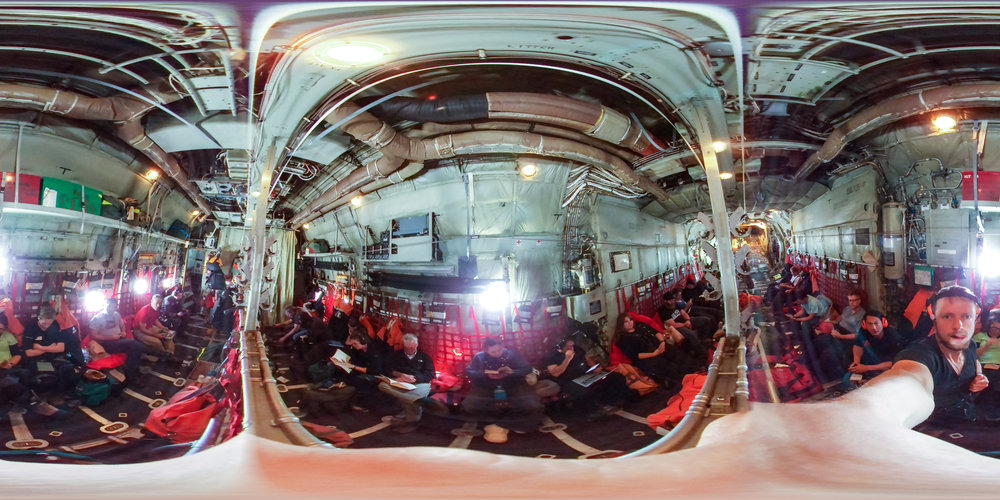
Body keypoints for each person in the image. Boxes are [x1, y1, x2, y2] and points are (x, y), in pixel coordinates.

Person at [892, 286, 989, 424]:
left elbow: (975, 361)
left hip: (968, 417)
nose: (958, 326)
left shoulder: (971, 345)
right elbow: (903, 376)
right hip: (935, 429)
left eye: (966, 316)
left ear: (975, 319)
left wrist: (979, 375)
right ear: (934, 318)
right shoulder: (921, 355)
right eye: (947, 316)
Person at [462, 337, 543, 433]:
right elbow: (469, 372)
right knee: (470, 405)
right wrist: (485, 374)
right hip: (487, 386)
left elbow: (527, 369)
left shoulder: (512, 354)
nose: (497, 353)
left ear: (502, 346)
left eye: (499, 350)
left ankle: (503, 424)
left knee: (532, 404)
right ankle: (495, 424)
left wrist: (513, 372)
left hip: (512, 385)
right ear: (486, 351)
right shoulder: (480, 357)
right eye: (493, 352)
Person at [543, 337, 634, 413]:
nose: (572, 348)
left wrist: (595, 368)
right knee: (582, 391)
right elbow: (556, 373)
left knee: (616, 377)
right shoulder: (553, 356)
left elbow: (588, 359)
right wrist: (567, 358)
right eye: (569, 346)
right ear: (561, 347)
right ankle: (592, 411)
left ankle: (611, 401)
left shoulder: (577, 349)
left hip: (586, 374)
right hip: (570, 380)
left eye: (572, 345)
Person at [379, 333, 435, 433]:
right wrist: (400, 375)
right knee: (382, 385)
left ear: (417, 345)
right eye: (407, 348)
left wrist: (415, 378)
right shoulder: (396, 355)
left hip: (420, 383)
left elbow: (430, 375)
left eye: (412, 348)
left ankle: (412, 420)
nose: (409, 350)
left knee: (416, 392)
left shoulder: (425, 357)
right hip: (401, 382)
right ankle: (414, 401)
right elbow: (386, 369)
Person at [21, 306, 83, 394]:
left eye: (50, 320)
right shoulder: (30, 328)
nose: (47, 323)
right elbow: (29, 353)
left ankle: (66, 393)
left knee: (71, 372)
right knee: (46, 380)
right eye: (45, 320)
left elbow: (61, 348)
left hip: (55, 358)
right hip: (37, 359)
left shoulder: (54, 326)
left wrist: (40, 348)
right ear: (39, 317)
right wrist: (52, 347)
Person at [88, 298, 150, 378]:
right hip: (106, 343)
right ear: (104, 305)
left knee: (134, 348)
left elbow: (122, 325)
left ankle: (131, 372)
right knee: (132, 343)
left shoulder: (116, 315)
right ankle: (151, 352)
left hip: (119, 339)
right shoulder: (97, 318)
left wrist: (123, 332)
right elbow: (93, 335)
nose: (111, 309)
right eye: (109, 306)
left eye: (113, 307)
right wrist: (111, 337)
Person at [848, 311, 904, 382]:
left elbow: (894, 363)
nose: (873, 328)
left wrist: (866, 368)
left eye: (876, 323)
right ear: (864, 324)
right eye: (870, 324)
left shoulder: (893, 337)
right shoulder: (864, 331)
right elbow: (858, 346)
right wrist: (856, 361)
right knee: (848, 379)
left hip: (888, 366)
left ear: (883, 322)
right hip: (873, 360)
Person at [132, 294, 177, 362]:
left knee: (167, 336)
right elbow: (142, 329)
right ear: (151, 301)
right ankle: (164, 355)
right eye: (157, 303)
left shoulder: (156, 309)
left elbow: (155, 320)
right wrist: (156, 335)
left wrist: (163, 328)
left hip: (149, 327)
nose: (158, 305)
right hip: (139, 331)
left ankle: (170, 354)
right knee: (157, 342)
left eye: (160, 303)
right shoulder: (144, 311)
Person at [973, 309, 1000, 420]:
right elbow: (974, 354)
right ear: (989, 326)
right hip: (983, 364)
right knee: (988, 379)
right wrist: (987, 345)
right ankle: (986, 413)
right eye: (994, 328)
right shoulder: (980, 336)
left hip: (998, 365)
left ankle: (993, 412)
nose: (997, 331)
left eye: (999, 329)